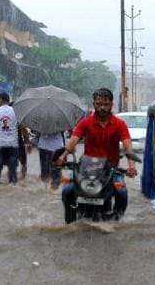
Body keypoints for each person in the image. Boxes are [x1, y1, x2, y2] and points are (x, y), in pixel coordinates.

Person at [56, 88, 137, 216]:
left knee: (122, 193)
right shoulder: (85, 123)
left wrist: (131, 166)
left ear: (111, 105)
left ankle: (116, 220)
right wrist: (63, 156)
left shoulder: (119, 124)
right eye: (99, 104)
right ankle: (70, 217)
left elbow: (128, 145)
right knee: (67, 190)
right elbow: (73, 140)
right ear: (94, 104)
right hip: (86, 169)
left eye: (106, 104)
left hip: (111, 169)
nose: (102, 108)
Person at [0, 93, 30, 186]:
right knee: (12, 172)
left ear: (2, 99)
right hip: (13, 146)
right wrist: (27, 142)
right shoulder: (16, 112)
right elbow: (23, 129)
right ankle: (12, 185)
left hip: (0, 146)